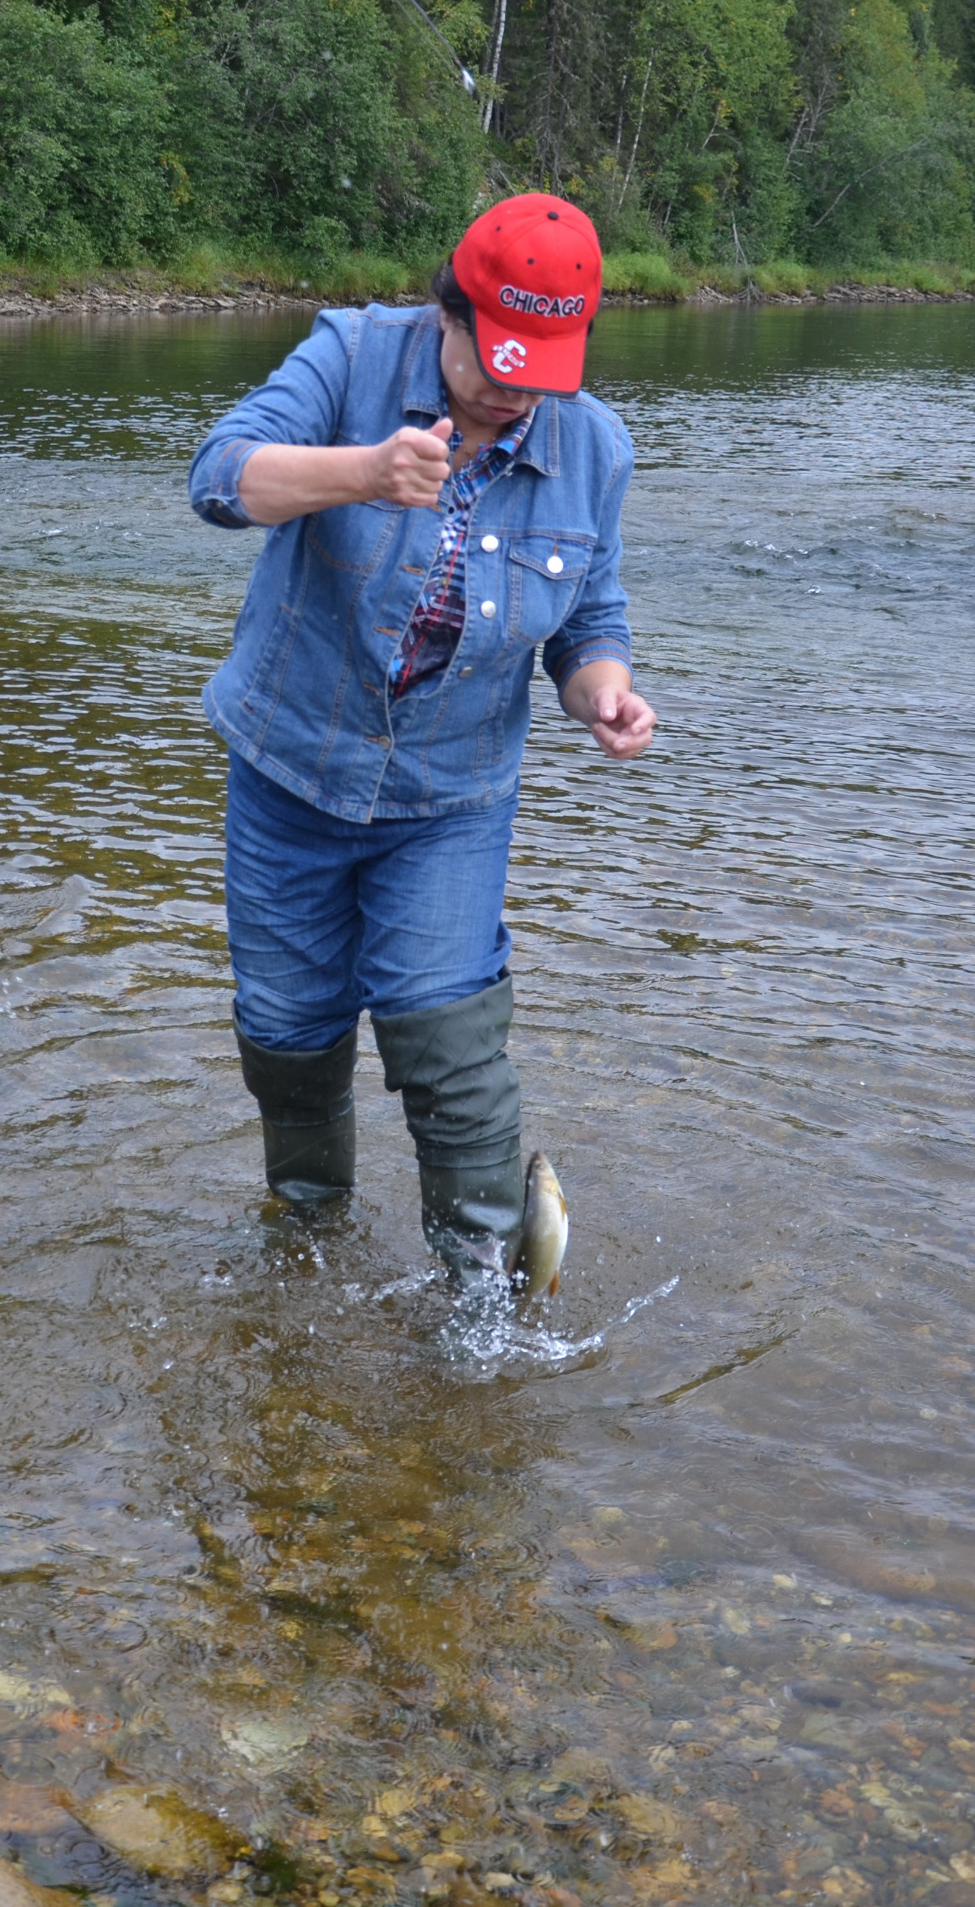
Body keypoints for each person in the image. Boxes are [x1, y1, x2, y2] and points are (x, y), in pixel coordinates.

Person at [187, 193, 656, 1284]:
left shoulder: (596, 448)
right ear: (445, 310)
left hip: (451, 798)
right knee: (291, 1030)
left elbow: (590, 611)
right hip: (288, 767)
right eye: (492, 355)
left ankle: (484, 1288)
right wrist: (362, 469)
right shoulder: (349, 354)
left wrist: (603, 691)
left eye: (539, 364)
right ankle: (304, 1245)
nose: (510, 387)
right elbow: (219, 475)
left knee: (446, 1039)